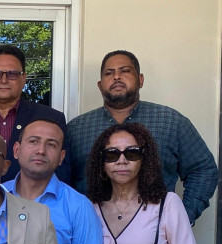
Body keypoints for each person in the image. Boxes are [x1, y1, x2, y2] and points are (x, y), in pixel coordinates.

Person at [67, 51, 217, 225]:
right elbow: (62, 181)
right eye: (109, 73)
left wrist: (182, 218)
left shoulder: (171, 122)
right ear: (100, 85)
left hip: (157, 239)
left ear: (141, 80)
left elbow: (203, 168)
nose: (116, 77)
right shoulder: (77, 129)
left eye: (125, 71)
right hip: (91, 236)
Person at [4, 119, 103, 244]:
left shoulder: (79, 207)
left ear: (61, 157)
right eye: (33, 141)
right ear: (16, 150)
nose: (41, 150)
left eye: (51, 145)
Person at [0, 45, 70, 183]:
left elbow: (61, 173)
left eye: (12, 74)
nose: (4, 80)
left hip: (33, 202)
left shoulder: (51, 118)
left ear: (23, 78)